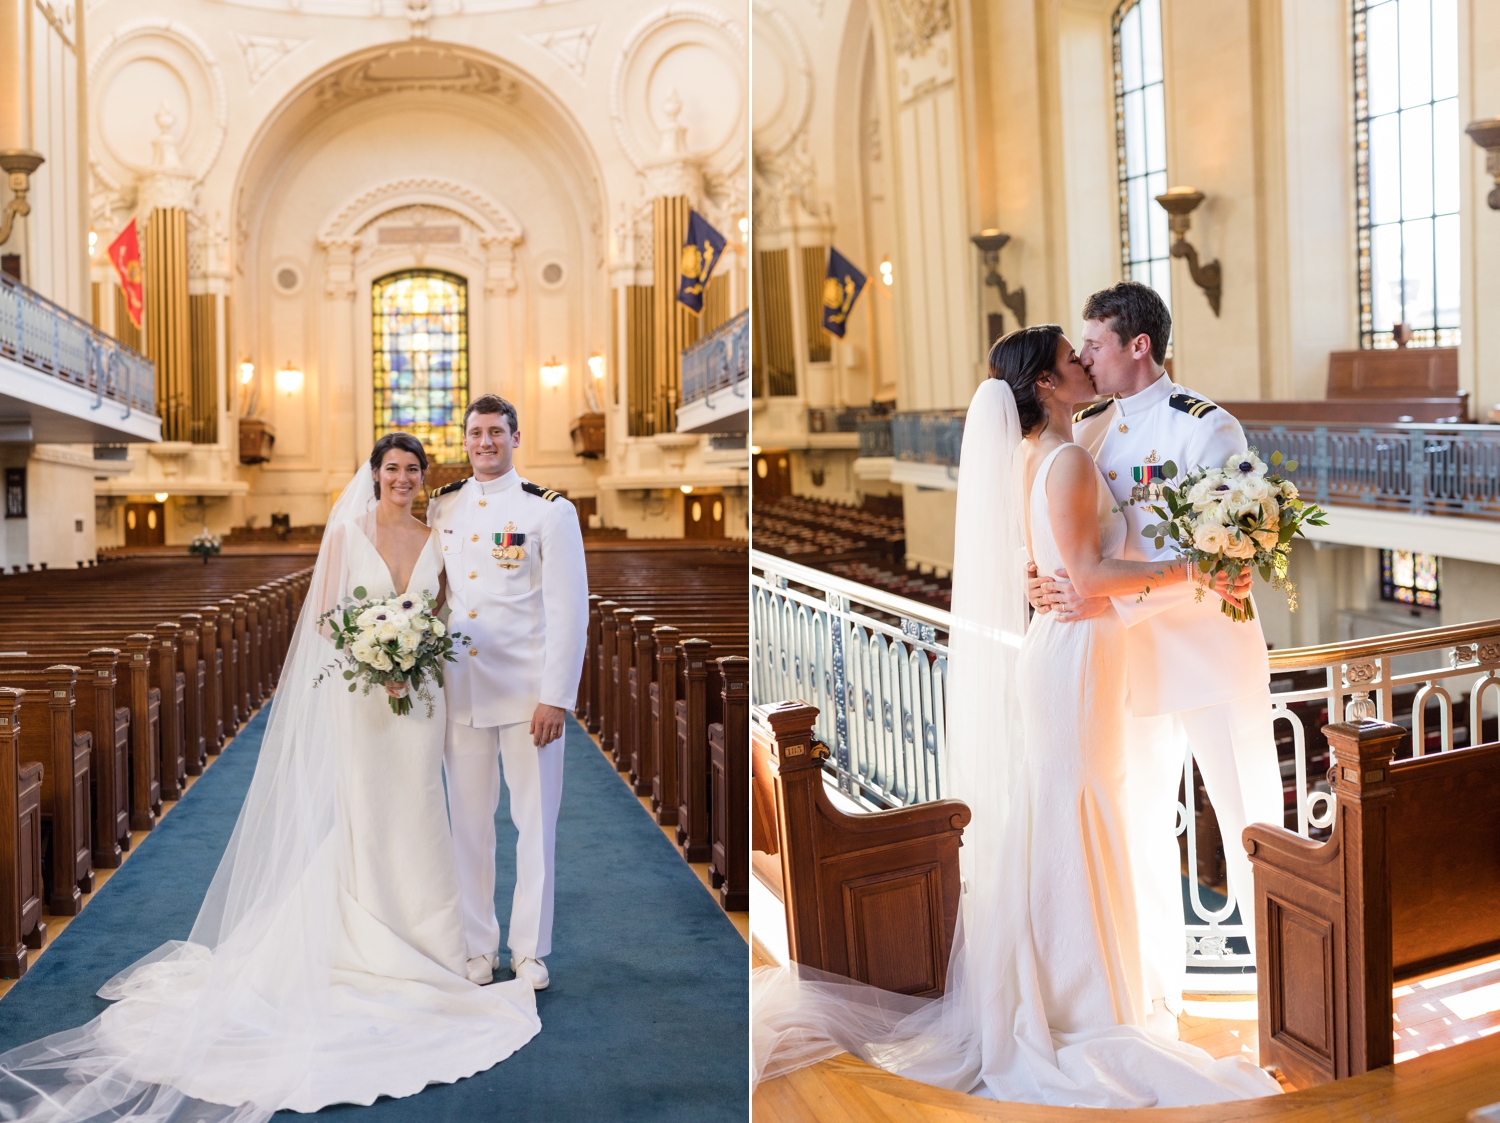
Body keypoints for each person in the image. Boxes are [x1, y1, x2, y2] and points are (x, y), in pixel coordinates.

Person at [752, 326, 1278, 1108]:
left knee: (1075, 809)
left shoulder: (1067, 448)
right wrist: (1196, 566)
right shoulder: (1068, 455)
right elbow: (1091, 572)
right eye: (1073, 356)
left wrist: (1061, 576)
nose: (1084, 362)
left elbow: (1059, 561)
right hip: (1077, 653)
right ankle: (1078, 1001)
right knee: (1076, 808)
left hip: (1083, 649)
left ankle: (1092, 988)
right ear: (1044, 384)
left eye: (1089, 347)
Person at [0, 432, 540, 1122]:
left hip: (421, 698)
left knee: (419, 810)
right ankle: (366, 927)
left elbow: (439, 608)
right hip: (367, 697)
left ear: (424, 477)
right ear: (375, 474)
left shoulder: (434, 527)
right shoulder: (348, 533)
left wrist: (416, 647)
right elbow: (325, 618)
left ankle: (430, 939)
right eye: (392, 468)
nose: (402, 478)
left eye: (412, 469)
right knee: (367, 812)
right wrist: (375, 653)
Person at [1029, 281, 1285, 1021]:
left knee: (1250, 823)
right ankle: (1152, 993)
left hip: (1205, 656)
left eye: (1097, 345)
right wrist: (1040, 577)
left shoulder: (1206, 429)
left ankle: (1287, 992)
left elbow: (1231, 561)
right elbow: (1072, 538)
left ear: (1139, 346)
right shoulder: (1091, 432)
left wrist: (1108, 594)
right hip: (1127, 668)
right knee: (1140, 831)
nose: (1084, 356)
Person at [426, 395, 589, 991]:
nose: (485, 442)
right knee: (468, 823)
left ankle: (529, 950)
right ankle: (477, 945)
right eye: (476, 433)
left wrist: (557, 696)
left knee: (534, 823)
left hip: (527, 697)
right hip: (461, 689)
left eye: (496, 432)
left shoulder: (549, 512)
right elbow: (433, 595)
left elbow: (569, 612)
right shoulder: (442, 507)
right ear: (465, 440)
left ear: (516, 437)